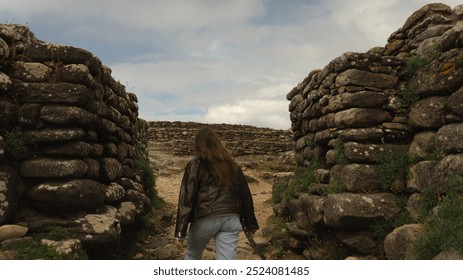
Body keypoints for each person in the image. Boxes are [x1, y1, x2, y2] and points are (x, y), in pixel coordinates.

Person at [174, 127, 258, 260]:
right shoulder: (233, 166)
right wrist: (251, 224)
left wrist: (180, 231)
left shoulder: (195, 164)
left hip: (205, 217)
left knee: (192, 256)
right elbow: (245, 195)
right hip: (231, 218)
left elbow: (187, 198)